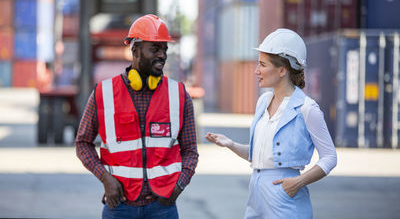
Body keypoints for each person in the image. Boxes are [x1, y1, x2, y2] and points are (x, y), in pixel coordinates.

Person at [75, 14, 199, 219]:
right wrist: (105, 179)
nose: (162, 55)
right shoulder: (103, 93)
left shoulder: (178, 94)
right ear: (135, 50)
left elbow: (190, 151)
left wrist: (179, 186)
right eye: (155, 49)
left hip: (163, 207)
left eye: (165, 49)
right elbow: (82, 143)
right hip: (120, 207)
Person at [205, 28, 337, 219]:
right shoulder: (263, 102)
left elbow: (330, 157)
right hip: (256, 193)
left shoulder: (307, 109)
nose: (256, 71)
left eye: (262, 65)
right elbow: (259, 157)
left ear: (282, 70)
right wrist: (231, 144)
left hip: (285, 196)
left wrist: (298, 182)